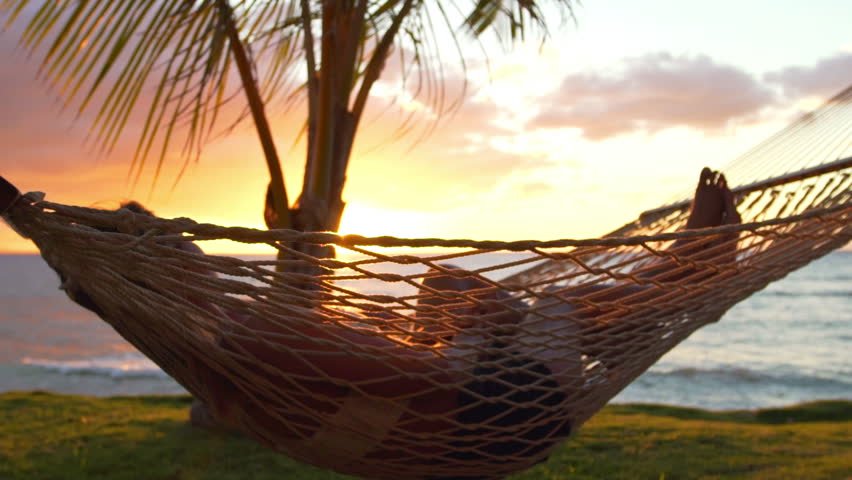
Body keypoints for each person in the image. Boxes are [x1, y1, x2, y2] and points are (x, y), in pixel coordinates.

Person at [48, 168, 742, 473]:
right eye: (177, 240)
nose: (194, 244)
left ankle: (674, 281)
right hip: (510, 416)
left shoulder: (219, 351)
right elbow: (431, 380)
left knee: (450, 287)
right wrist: (466, 337)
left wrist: (453, 326)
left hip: (462, 420)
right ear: (167, 269)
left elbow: (379, 396)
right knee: (551, 305)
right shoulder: (251, 335)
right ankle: (682, 274)